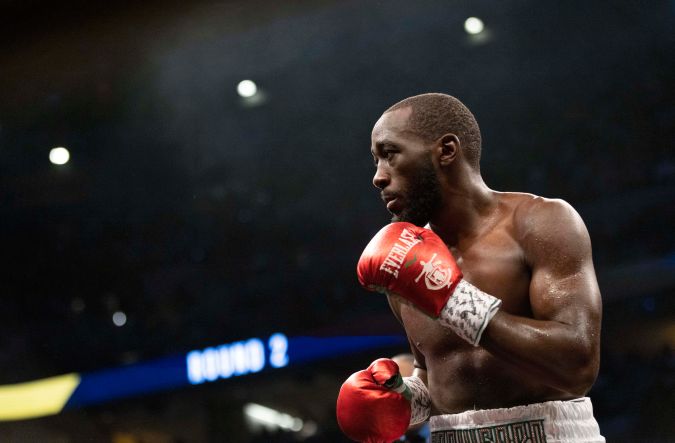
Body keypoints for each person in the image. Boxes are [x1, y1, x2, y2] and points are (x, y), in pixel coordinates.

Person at [336, 93, 604, 442]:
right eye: (375, 161)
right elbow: (437, 376)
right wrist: (402, 397)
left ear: (446, 150)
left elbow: (577, 366)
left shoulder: (540, 223)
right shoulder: (403, 259)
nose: (378, 177)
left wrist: (453, 302)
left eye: (390, 155)